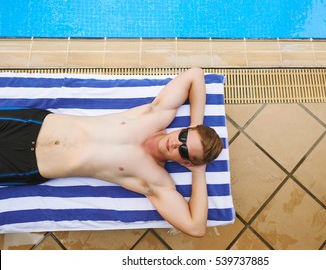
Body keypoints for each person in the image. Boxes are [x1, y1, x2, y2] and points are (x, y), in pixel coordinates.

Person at [0, 67, 224, 237]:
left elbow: (196, 228)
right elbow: (196, 73)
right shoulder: (155, 115)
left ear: (186, 163)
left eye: (184, 152)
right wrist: (196, 125)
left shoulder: (155, 181)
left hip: (26, 164)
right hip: (29, 125)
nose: (177, 144)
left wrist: (199, 170)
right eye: (183, 137)